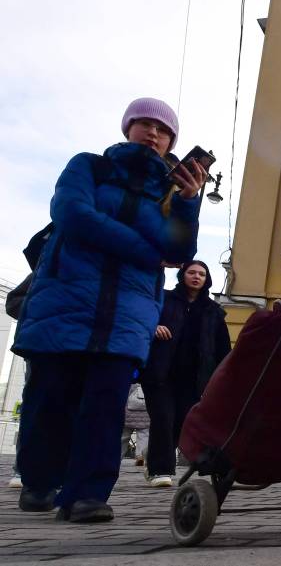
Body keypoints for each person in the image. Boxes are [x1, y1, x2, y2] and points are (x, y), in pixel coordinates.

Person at [11, 97, 207, 522]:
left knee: (105, 404)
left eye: (163, 129)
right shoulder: (89, 166)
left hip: (128, 312)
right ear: (127, 128)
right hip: (65, 301)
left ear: (172, 140)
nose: (152, 132)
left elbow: (178, 248)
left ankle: (87, 494)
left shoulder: (170, 193)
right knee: (50, 399)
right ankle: (40, 480)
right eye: (144, 123)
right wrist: (145, 251)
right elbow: (72, 215)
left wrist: (190, 203)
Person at [142, 260, 230, 487]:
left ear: (207, 279)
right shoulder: (164, 300)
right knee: (163, 418)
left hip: (194, 379)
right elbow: (142, 320)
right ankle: (160, 470)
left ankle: (157, 464)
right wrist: (153, 327)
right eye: (191, 272)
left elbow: (223, 349)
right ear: (183, 275)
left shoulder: (214, 312)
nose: (196, 277)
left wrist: (221, 378)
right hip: (161, 373)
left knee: (180, 422)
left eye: (201, 273)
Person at [121, 383, 150, 467]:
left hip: (128, 414)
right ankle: (141, 456)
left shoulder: (129, 381)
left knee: (123, 436)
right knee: (144, 435)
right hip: (145, 414)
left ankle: (117, 455)